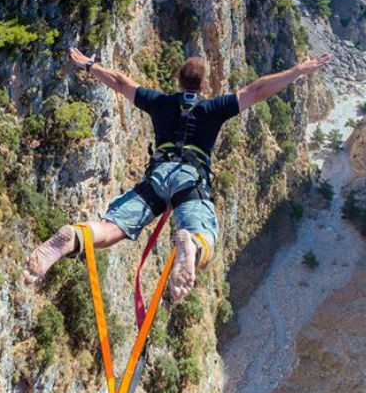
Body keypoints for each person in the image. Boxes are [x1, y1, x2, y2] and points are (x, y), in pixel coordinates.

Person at [23, 47, 331, 300]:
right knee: (204, 236)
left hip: (158, 177)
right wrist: (298, 71)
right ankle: (191, 244)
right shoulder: (214, 108)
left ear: (178, 81)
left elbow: (120, 82)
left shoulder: (160, 103)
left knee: (112, 228)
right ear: (204, 85)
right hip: (191, 181)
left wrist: (90, 65)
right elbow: (259, 89)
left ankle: (75, 235)